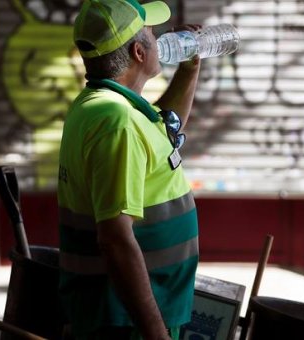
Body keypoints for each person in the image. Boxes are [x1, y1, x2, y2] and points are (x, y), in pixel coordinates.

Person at [57, 0, 201, 339]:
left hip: (129, 312)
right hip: (126, 321)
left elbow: (165, 132)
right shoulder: (116, 122)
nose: (159, 36)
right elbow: (116, 239)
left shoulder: (108, 106)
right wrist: (154, 332)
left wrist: (189, 70)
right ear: (139, 51)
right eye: (151, 32)